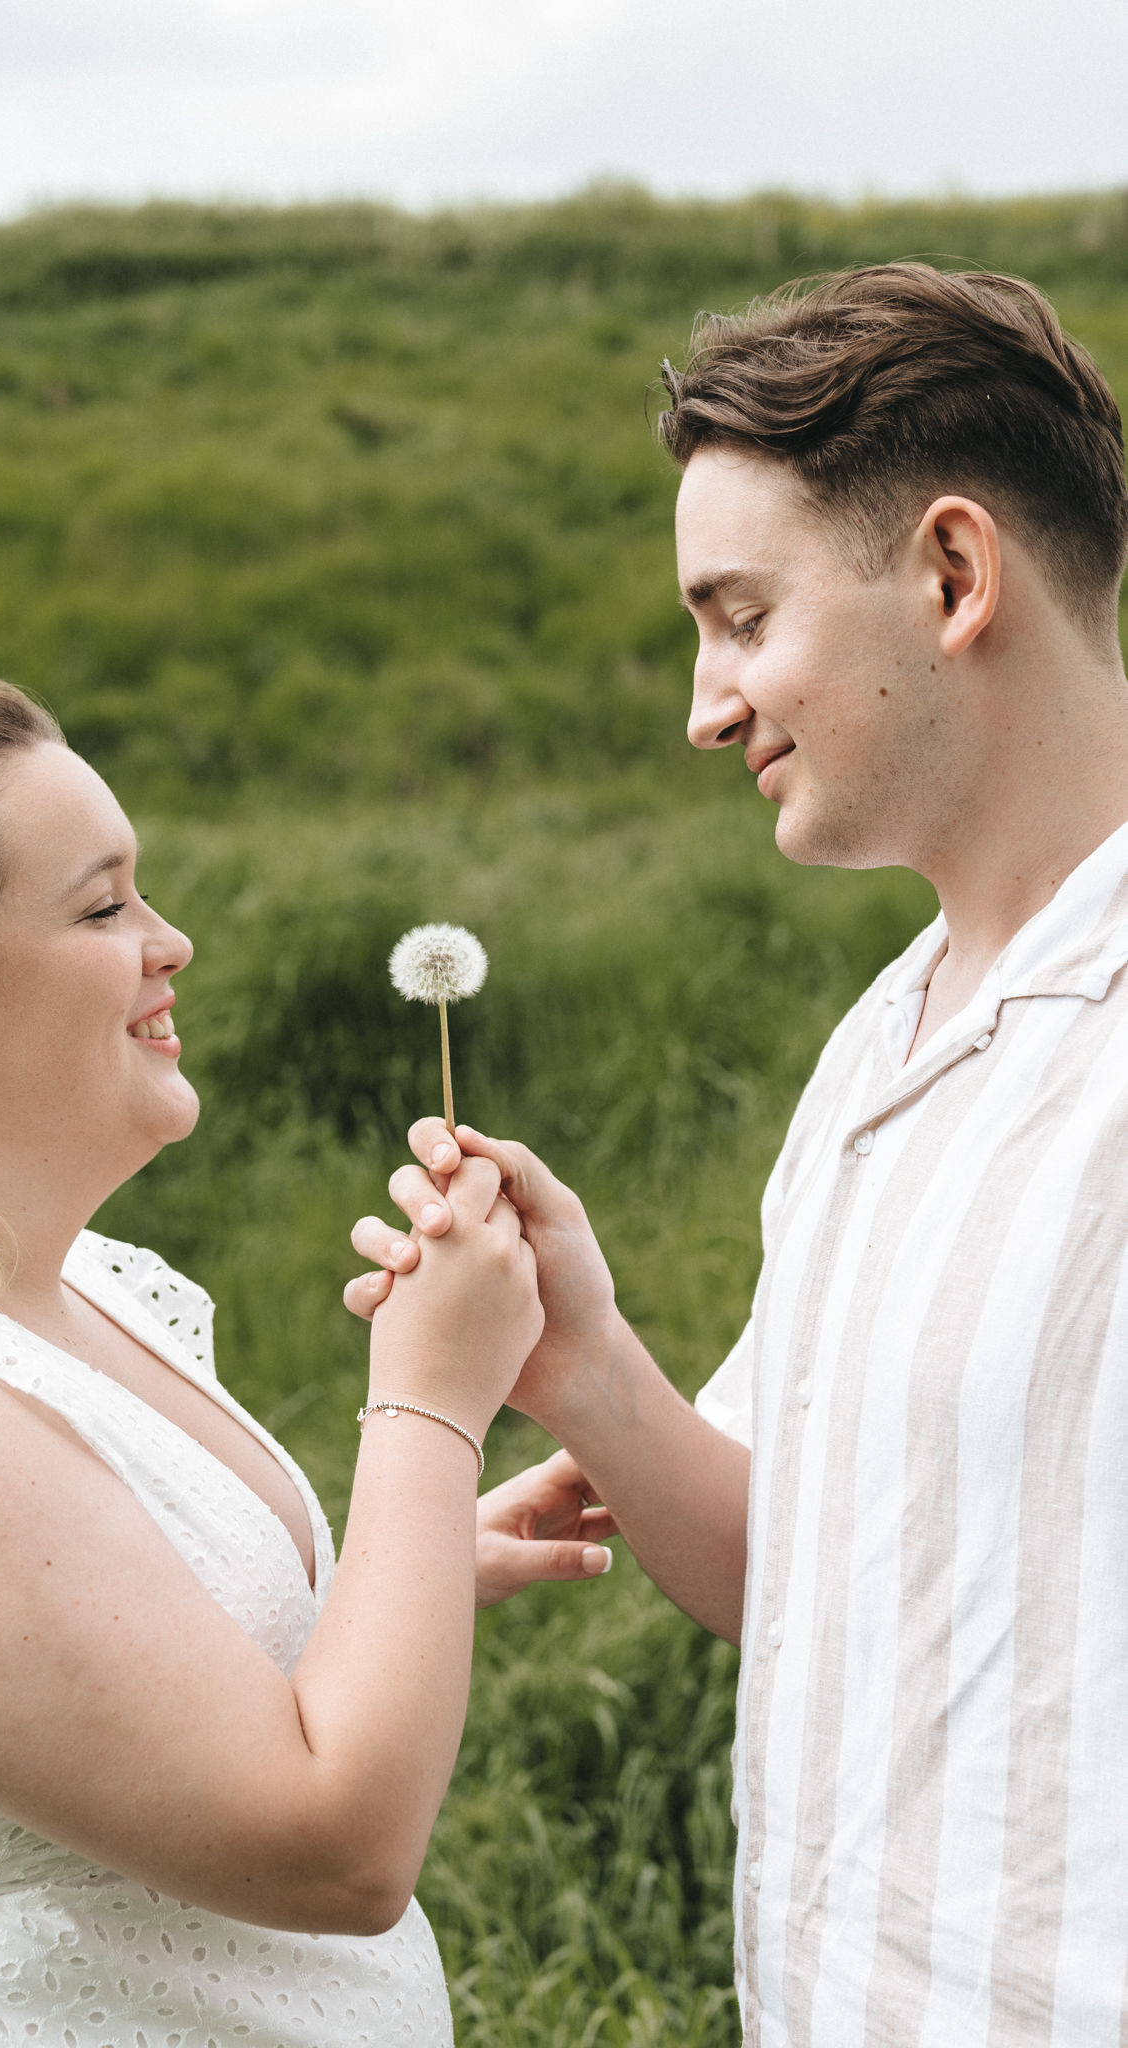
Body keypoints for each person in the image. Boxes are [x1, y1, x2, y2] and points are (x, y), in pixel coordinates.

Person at [349, 264, 1128, 2045]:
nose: (705, 706)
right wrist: (589, 1371)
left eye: (738, 615)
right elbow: (811, 1568)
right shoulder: (877, 1048)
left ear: (951, 577)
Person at [0, 676, 558, 2048]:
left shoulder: (68, 1292)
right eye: (101, 907)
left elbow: (91, 1646)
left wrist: (403, 1560)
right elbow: (331, 1848)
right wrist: (428, 1401)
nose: (170, 943)